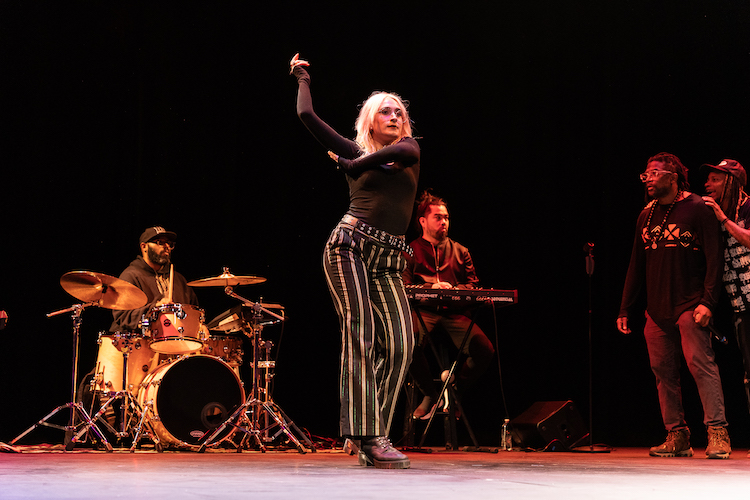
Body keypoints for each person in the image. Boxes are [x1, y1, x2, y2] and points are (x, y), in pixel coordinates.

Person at [289, 53, 419, 469]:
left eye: (399, 111)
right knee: (361, 332)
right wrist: (302, 76)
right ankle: (369, 435)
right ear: (370, 121)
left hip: (390, 257)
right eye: (385, 111)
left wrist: (350, 164)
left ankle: (369, 428)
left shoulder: (409, 147)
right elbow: (307, 115)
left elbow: (382, 160)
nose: (395, 115)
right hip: (350, 245)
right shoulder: (356, 147)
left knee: (401, 342)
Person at [617, 152, 729, 459]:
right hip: (656, 309)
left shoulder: (698, 208)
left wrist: (708, 301)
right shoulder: (646, 214)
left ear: (672, 177)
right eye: (646, 175)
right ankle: (677, 435)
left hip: (690, 305)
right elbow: (635, 265)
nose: (648, 179)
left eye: (654, 174)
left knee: (701, 367)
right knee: (662, 372)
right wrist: (625, 308)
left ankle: (718, 433)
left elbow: (714, 259)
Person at [403, 191, 495, 420]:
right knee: (407, 344)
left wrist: (454, 291)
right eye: (438, 217)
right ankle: (432, 395)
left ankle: (454, 391)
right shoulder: (409, 251)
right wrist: (430, 289)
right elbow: (403, 287)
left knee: (485, 350)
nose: (444, 221)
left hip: (455, 314)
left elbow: (473, 286)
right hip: (423, 311)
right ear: (423, 221)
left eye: (446, 217)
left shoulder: (461, 251)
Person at [702, 159, 750, 457]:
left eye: (714, 179)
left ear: (731, 182)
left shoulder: (746, 209)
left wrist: (722, 218)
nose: (707, 184)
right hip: (740, 305)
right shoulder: (718, 214)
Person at [110, 226, 198, 332]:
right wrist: (155, 309)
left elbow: (194, 312)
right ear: (144, 247)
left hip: (174, 342)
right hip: (139, 343)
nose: (167, 247)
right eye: (160, 242)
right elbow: (122, 316)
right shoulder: (131, 276)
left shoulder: (179, 279)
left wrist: (200, 326)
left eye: (169, 244)